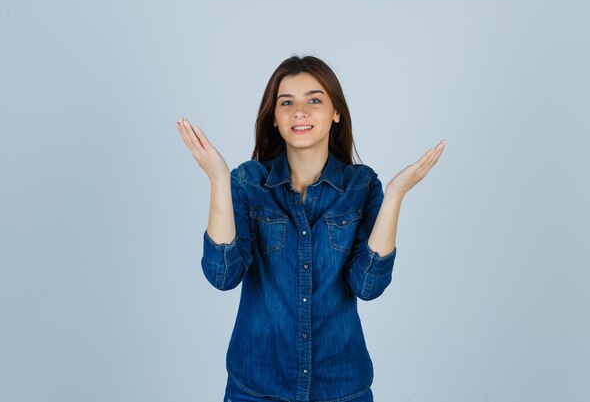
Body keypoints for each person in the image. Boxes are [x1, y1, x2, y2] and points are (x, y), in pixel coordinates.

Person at [176, 55, 445, 402]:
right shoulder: (247, 182)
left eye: (314, 100)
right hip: (256, 388)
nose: (299, 111)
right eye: (286, 102)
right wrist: (217, 177)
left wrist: (395, 194)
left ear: (336, 113)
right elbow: (222, 275)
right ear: (274, 118)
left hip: (341, 388)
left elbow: (368, 284)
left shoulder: (361, 187)